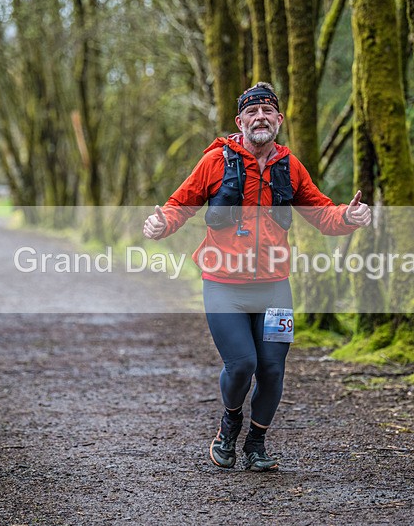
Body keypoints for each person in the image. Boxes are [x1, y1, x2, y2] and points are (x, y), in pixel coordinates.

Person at [142, 82, 371, 472]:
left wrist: (348, 217)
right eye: (252, 112)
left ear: (279, 120)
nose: (260, 118)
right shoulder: (216, 162)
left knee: (273, 369)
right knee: (243, 364)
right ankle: (229, 427)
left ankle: (256, 444)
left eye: (267, 112)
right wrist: (160, 223)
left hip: (274, 287)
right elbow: (182, 203)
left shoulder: (290, 166)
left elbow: (321, 213)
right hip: (223, 286)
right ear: (240, 121)